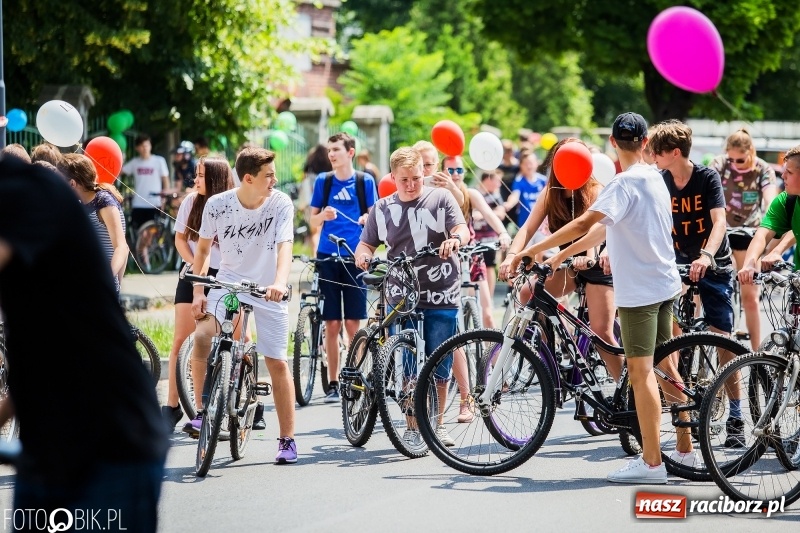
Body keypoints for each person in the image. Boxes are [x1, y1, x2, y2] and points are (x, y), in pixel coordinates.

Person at [512, 112, 681, 484]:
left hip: (639, 291)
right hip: (664, 283)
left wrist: (532, 250)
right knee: (664, 365)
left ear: (611, 143)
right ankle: (684, 443)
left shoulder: (620, 185)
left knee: (640, 372)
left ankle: (652, 465)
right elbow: (601, 230)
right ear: (646, 142)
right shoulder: (654, 177)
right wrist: (558, 257)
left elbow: (583, 224)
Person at [0, 155, 167, 529]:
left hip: (113, 443)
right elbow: (45, 358)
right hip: (47, 448)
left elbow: (120, 246)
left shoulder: (28, 190)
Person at [189, 147, 298, 464]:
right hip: (229, 283)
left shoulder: (280, 203)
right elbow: (204, 251)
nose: (275, 180)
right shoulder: (218, 205)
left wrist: (279, 282)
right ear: (248, 178)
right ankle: (204, 408)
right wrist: (199, 289)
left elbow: (284, 246)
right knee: (202, 337)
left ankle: (287, 440)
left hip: (267, 290)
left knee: (276, 362)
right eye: (269, 175)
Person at [355, 146, 470, 447]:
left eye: (417, 178)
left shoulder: (441, 198)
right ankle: (412, 426)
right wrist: (364, 256)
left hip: (442, 290)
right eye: (404, 179)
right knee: (407, 362)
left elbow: (461, 228)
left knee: (440, 361)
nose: (411, 184)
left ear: (424, 173)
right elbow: (365, 244)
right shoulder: (382, 208)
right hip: (402, 293)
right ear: (393, 176)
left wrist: (455, 238)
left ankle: (438, 424)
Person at [649, 119, 743, 450]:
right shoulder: (660, 180)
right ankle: (680, 411)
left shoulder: (706, 178)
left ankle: (735, 415)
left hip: (713, 262)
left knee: (722, 340)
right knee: (668, 335)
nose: (653, 156)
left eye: (657, 152)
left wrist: (705, 255)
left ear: (674, 153)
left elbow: (719, 223)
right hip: (676, 265)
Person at [499, 138, 622, 382]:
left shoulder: (595, 189)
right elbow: (526, 229)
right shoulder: (551, 192)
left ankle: (628, 393)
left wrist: (587, 257)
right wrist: (511, 256)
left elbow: (592, 231)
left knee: (601, 333)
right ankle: (551, 356)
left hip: (597, 263)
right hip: (565, 263)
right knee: (528, 293)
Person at [162, 158, 234, 431]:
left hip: (225, 275)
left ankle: (239, 398)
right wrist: (194, 265)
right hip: (193, 271)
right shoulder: (191, 201)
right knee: (181, 338)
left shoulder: (231, 204)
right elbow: (180, 239)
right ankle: (171, 406)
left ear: (215, 178)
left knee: (234, 338)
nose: (195, 180)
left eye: (201, 175)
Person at [439, 155, 510, 424]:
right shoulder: (438, 193)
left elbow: (491, 216)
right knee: (455, 324)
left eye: (459, 169)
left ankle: (491, 371)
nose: (456, 173)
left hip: (472, 258)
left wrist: (502, 233)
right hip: (446, 262)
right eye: (450, 169)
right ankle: (460, 390)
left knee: (488, 316)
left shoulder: (468, 193)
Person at [309, 132, 377, 402]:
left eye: (336, 149)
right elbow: (312, 221)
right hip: (327, 257)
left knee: (353, 324)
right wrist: (322, 216)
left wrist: (365, 219)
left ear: (350, 152)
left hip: (354, 257)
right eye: (329, 150)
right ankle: (334, 383)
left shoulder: (365, 181)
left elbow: (375, 218)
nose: (331, 154)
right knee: (332, 323)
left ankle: (355, 377)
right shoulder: (322, 182)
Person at [710, 128, 778, 349]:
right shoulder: (720, 164)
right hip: (723, 231)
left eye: (740, 159)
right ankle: (723, 343)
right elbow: (708, 189)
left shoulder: (762, 168)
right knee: (722, 291)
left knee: (750, 296)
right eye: (732, 159)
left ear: (750, 151)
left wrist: (771, 217)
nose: (735, 163)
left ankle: (757, 353)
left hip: (749, 233)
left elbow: (771, 199)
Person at [58, 153, 128, 294]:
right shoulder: (78, 203)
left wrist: (108, 280)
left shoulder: (103, 201)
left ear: (72, 183)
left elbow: (122, 247)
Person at [739, 145, 800, 276]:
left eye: (789, 172)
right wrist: (749, 265)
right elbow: (762, 235)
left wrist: (778, 249)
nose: (783, 176)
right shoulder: (785, 201)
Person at [121, 134, 170, 231]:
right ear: (137, 148)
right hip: (138, 204)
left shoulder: (159, 161)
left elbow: (166, 181)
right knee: (139, 231)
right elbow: (120, 171)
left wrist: (164, 198)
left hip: (154, 203)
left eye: (147, 145)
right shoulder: (134, 162)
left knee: (150, 232)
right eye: (142, 146)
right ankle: (142, 247)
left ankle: (144, 247)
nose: (145, 148)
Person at [473, 169, 506, 296]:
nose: (499, 184)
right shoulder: (473, 192)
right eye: (497, 181)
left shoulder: (496, 195)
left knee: (490, 267)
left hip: (490, 237)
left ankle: (489, 296)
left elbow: (501, 213)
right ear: (488, 179)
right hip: (474, 237)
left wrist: (482, 214)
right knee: (474, 267)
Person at [302, 144, 333, 252]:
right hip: (325, 198)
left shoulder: (311, 161)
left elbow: (304, 176)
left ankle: (316, 256)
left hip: (310, 198)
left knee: (314, 231)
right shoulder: (329, 163)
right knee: (322, 229)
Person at [503, 151, 547, 227]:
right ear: (521, 165)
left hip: (543, 224)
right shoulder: (519, 181)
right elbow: (515, 195)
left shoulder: (543, 180)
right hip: (525, 224)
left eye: (531, 163)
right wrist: (508, 204)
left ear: (537, 163)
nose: (529, 166)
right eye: (526, 163)